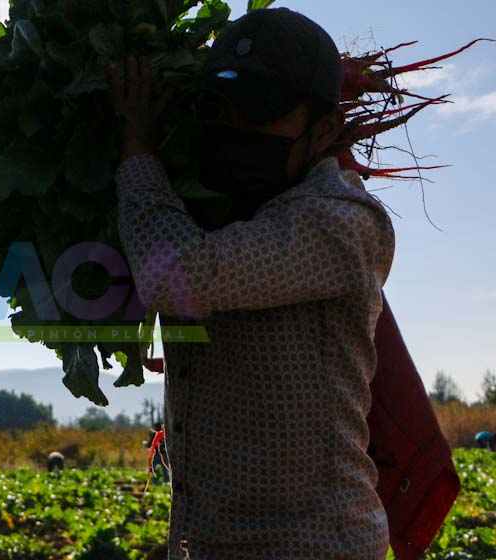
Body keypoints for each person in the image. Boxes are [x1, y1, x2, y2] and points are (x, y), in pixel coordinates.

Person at [108, 7, 396, 558]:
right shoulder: (218, 215)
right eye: (225, 109)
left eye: (261, 114)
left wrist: (138, 153)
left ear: (326, 130)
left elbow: (177, 277)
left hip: (311, 546)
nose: (237, 129)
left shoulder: (342, 223)